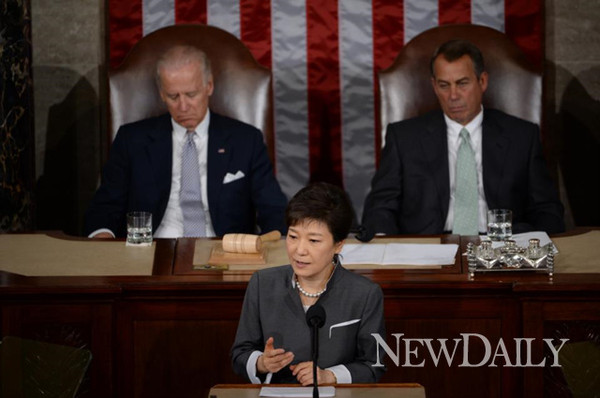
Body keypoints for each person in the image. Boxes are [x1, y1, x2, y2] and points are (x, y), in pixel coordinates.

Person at [362, 39, 565, 236]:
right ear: (434, 86)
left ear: (482, 81)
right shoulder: (404, 138)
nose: (453, 95)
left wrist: (524, 241)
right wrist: (387, 248)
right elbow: (379, 207)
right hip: (427, 250)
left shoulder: (522, 136)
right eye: (444, 85)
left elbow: (547, 210)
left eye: (462, 83)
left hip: (499, 247)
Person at [84, 45, 287, 238]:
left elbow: (273, 208)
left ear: (209, 86)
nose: (183, 106)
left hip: (223, 253)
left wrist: (274, 247)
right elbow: (106, 205)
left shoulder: (246, 140)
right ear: (162, 94)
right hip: (151, 251)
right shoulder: (132, 140)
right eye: (173, 96)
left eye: (191, 94)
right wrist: (104, 242)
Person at [231, 182, 386, 385]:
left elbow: (374, 365)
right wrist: (261, 363)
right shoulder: (262, 284)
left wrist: (330, 376)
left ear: (338, 244)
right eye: (293, 237)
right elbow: (239, 354)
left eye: (313, 241)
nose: (300, 250)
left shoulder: (364, 294)